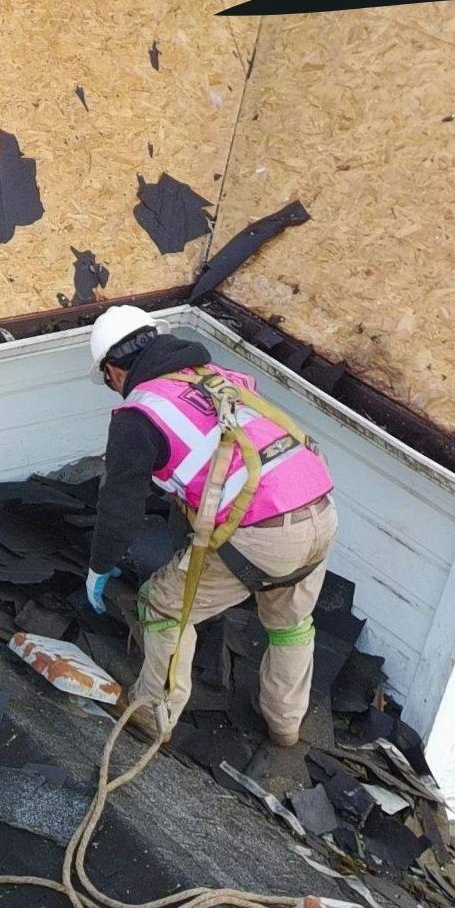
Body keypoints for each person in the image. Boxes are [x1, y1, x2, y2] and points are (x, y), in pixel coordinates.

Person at [80, 306, 337, 747]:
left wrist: (99, 566)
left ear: (113, 369)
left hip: (263, 532)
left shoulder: (139, 416)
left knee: (163, 606)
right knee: (291, 622)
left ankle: (152, 716)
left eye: (107, 379)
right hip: (321, 512)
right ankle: (285, 726)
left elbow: (120, 505)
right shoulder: (222, 379)